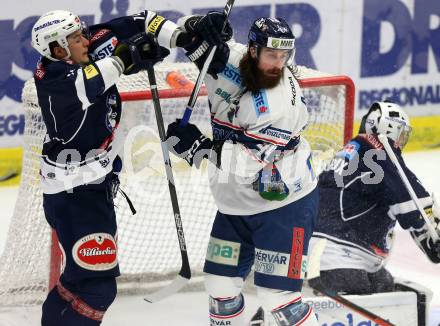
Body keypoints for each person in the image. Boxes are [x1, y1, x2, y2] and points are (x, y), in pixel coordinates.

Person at [31, 9, 226, 326]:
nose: (85, 40)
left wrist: (181, 38)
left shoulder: (88, 44)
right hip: (74, 194)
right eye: (75, 39)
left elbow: (142, 20)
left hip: (95, 183)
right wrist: (126, 57)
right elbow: (89, 84)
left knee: (80, 279)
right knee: (98, 288)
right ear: (57, 50)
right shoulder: (54, 79)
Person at [167, 16, 320, 325]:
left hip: (283, 206)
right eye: (271, 55)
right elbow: (182, 31)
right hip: (235, 206)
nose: (279, 63)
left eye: (284, 56)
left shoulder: (280, 105)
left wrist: (196, 147)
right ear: (252, 50)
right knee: (219, 286)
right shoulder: (230, 58)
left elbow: (245, 162)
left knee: (278, 297)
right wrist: (199, 25)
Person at [307, 101, 440, 296]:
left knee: (383, 283)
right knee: (382, 299)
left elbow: (400, 201)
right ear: (388, 128)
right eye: (401, 133)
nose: (402, 141)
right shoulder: (378, 153)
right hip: (338, 258)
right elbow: (412, 202)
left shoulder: (354, 151)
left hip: (318, 252)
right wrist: (433, 236)